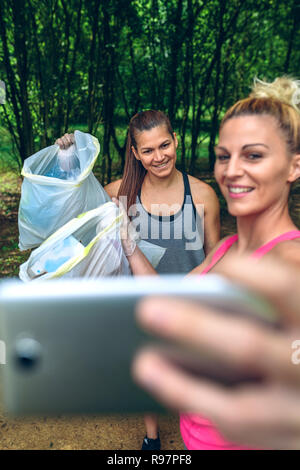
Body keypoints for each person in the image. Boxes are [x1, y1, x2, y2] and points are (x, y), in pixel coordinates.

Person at [122, 76, 300, 449]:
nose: (231, 170)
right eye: (224, 156)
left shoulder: (291, 260)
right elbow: (166, 300)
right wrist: (129, 243)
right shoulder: (226, 250)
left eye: (253, 155)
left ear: (293, 166)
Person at [55, 110, 220, 450]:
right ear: (134, 152)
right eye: (148, 150)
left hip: (192, 306)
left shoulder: (202, 195)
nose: (159, 156)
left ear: (176, 141)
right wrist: (69, 161)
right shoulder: (119, 194)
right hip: (143, 307)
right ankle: (152, 438)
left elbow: (217, 256)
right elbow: (76, 209)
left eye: (165, 145)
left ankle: (203, 432)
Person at [132, 253, 300, 450]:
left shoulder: (292, 253)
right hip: (194, 432)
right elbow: (170, 297)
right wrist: (131, 248)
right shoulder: (227, 246)